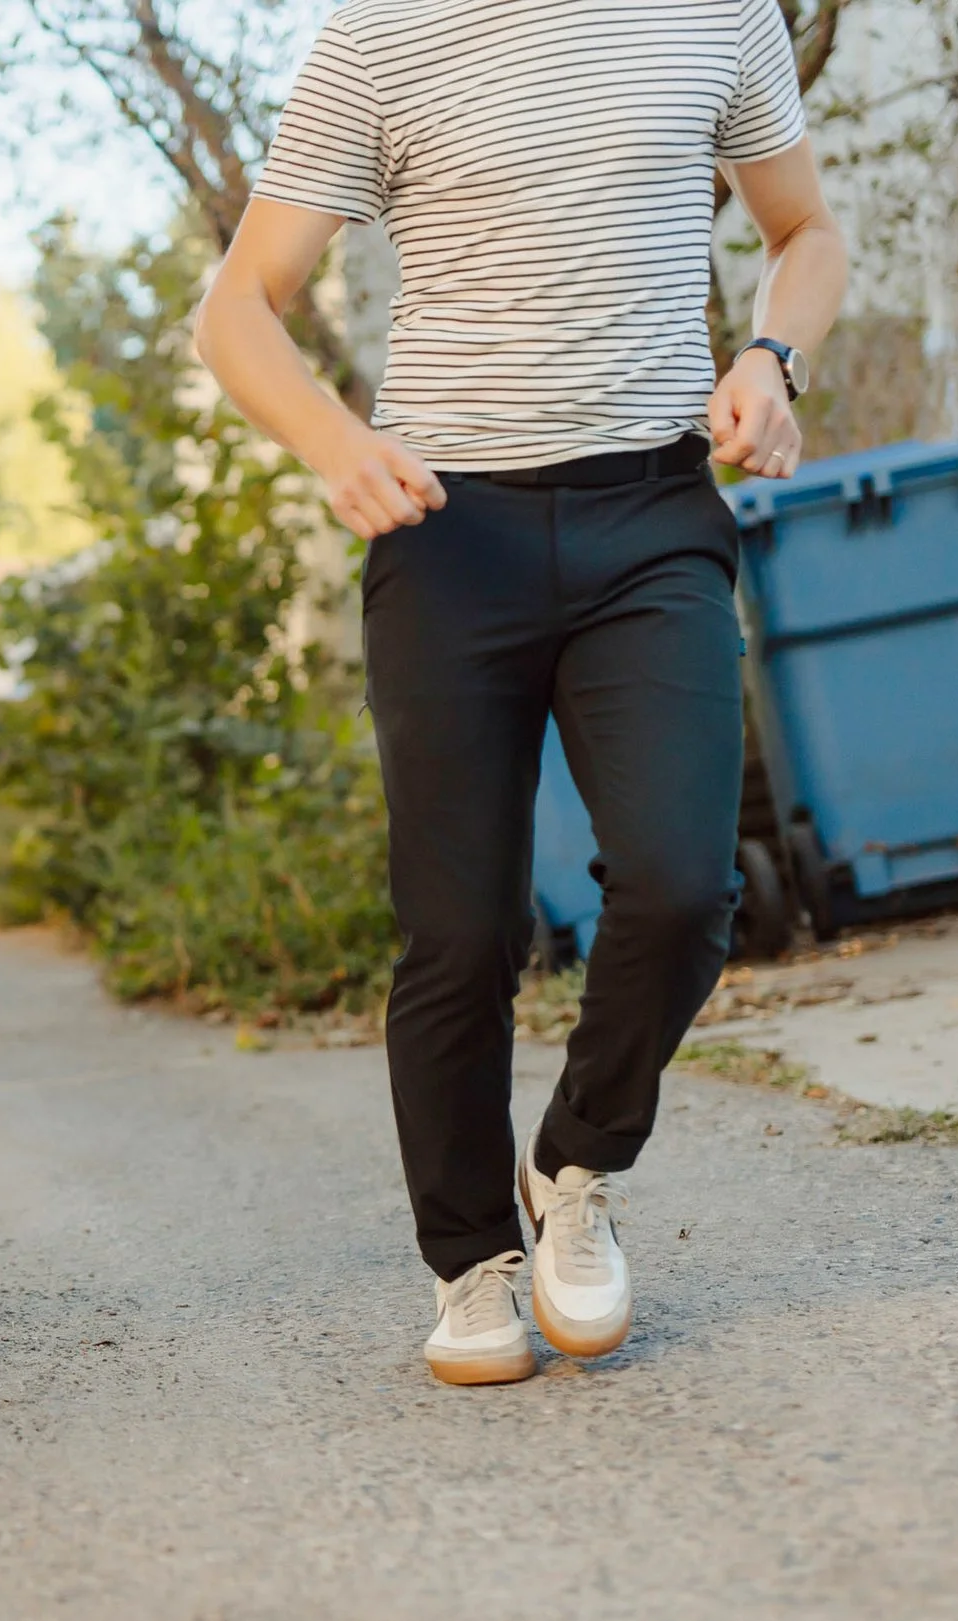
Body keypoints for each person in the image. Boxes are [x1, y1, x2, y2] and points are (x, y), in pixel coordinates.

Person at [195, 0, 846, 1384]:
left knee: (681, 883)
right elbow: (238, 307)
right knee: (460, 926)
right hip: (449, 533)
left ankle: (576, 1164)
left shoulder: (718, 16)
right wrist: (333, 441)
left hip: (653, 515)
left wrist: (771, 357)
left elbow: (807, 233)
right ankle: (469, 1258)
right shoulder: (379, 37)